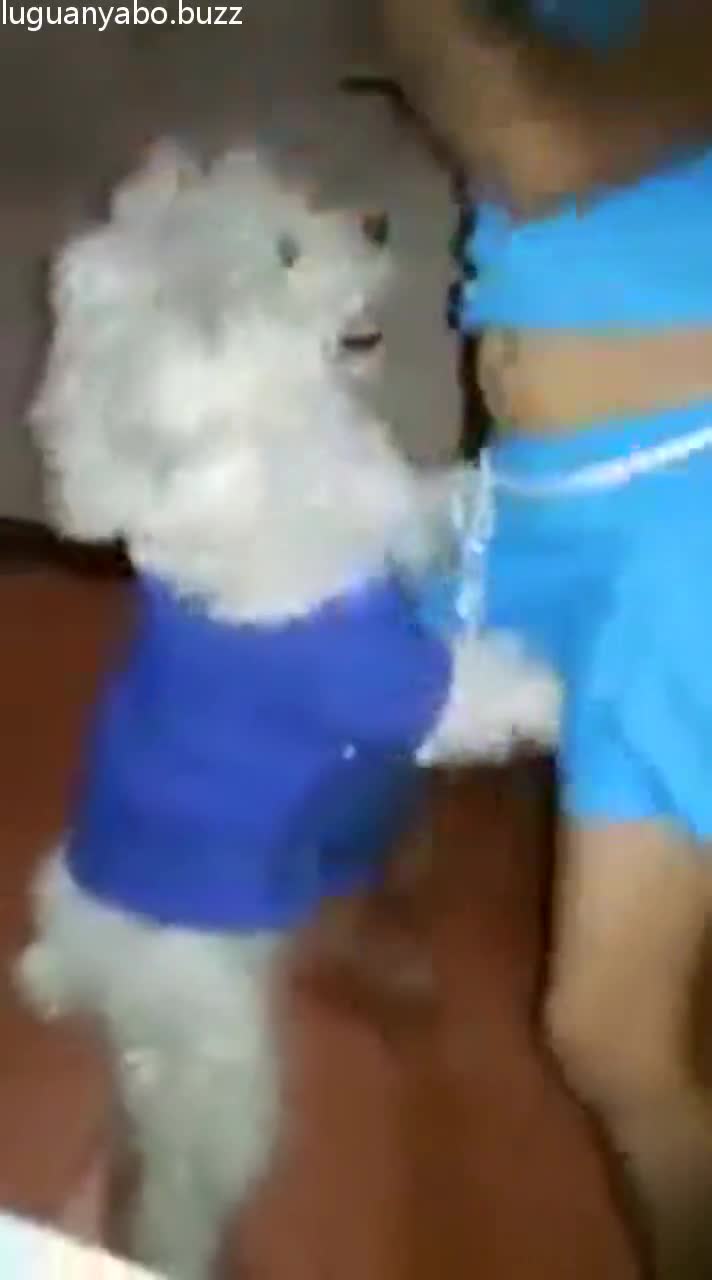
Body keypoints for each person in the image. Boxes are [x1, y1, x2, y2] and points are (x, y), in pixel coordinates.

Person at [381, 1, 712, 1275]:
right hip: (530, 503)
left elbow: (541, 146)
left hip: (684, 508)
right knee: (292, 667)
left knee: (609, 1037)